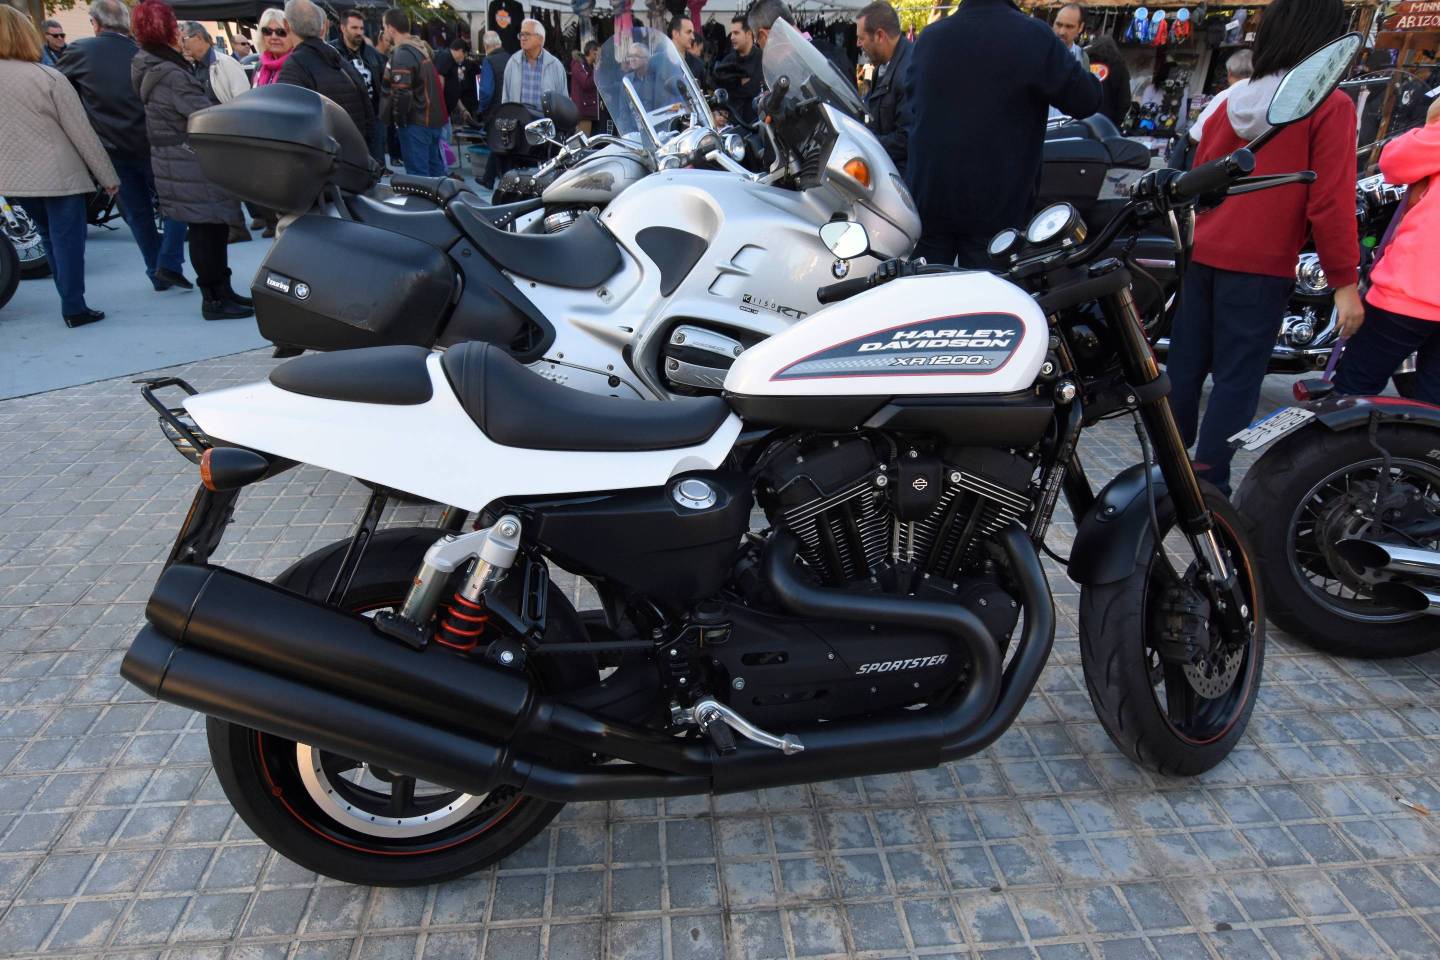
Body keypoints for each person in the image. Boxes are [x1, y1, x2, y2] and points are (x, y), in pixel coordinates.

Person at [1166, 0, 1360, 494]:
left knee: (1185, 366)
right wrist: (1344, 282)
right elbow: (1331, 201)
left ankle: (1168, 462)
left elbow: (1197, 179)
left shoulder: (1231, 102)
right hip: (1261, 264)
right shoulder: (1327, 105)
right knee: (1236, 379)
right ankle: (1209, 482)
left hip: (1203, 252)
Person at [904, 0, 1100, 268]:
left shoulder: (930, 37)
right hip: (996, 206)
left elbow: (913, 103)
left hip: (932, 198)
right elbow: (1086, 100)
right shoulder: (1033, 35)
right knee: (988, 301)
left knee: (927, 299)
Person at [130, 0, 253, 322]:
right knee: (207, 228)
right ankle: (214, 298)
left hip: (177, 158)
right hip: (189, 158)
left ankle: (220, 292)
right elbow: (204, 114)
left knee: (207, 228)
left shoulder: (152, 65)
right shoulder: (169, 72)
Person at [59, 0, 190, 291]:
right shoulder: (143, 53)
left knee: (137, 213)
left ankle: (158, 268)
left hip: (112, 149)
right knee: (176, 205)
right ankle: (167, 262)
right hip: (155, 143)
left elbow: (59, 92)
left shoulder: (79, 52)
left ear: (95, 22)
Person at [0, 6, 119, 327]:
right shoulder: (47, 77)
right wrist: (108, 177)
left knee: (49, 237)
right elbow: (81, 131)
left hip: (14, 179)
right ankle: (74, 306)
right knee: (67, 241)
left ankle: (69, 301)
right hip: (59, 174)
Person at [1332, 96, 1440, 403]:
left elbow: (1394, 163)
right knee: (1434, 405)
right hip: (1418, 288)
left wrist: (1432, 123)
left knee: (1354, 389)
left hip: (1412, 290)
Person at [278, 0, 374, 145]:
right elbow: (369, 117)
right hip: (354, 156)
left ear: (286, 25)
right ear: (322, 28)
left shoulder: (294, 67)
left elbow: (290, 126)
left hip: (324, 160)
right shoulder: (342, 62)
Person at [381, 7, 446, 177]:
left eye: (384, 27)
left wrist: (398, 121)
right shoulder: (420, 48)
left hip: (416, 124)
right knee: (435, 175)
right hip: (430, 121)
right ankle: (440, 204)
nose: (384, 31)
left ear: (390, 28)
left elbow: (402, 93)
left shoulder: (403, 53)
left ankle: (427, 204)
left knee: (419, 179)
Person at [747, 0, 853, 90]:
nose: (761, 50)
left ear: (764, 35)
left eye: (758, 43)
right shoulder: (833, 53)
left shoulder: (793, 70)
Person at [855, 1, 909, 174]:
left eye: (861, 38)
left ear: (879, 35)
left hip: (902, 180)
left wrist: (865, 144)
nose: (858, 44)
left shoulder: (909, 71)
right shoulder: (882, 68)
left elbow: (905, 140)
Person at [334, 9, 387, 166]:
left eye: (361, 28)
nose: (359, 32)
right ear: (343, 28)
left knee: (375, 167)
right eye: (354, 28)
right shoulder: (333, 53)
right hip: (345, 121)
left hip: (374, 121)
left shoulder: (373, 54)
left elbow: (384, 86)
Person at [502, 19, 565, 112]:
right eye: (521, 34)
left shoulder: (555, 66)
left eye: (527, 34)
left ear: (540, 39)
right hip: (519, 122)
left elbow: (563, 100)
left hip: (545, 123)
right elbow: (505, 98)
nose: (523, 38)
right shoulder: (512, 62)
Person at [180, 22, 249, 103]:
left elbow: (244, 101)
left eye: (183, 39)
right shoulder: (192, 68)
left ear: (198, 37)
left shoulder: (227, 63)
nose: (182, 45)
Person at [713, 14, 761, 125]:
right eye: (731, 33)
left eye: (736, 33)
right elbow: (719, 93)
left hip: (758, 126)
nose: (731, 37)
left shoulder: (763, 60)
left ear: (749, 34)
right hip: (733, 128)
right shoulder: (727, 62)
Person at [1085, 35, 1130, 128]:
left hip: (1083, 119)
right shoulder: (1119, 67)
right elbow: (1124, 101)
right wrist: (1115, 124)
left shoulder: (1085, 62)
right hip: (1106, 122)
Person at [253, 8, 294, 87]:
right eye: (267, 31)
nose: (274, 37)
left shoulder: (299, 66)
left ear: (293, 36)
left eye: (281, 32)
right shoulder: (259, 66)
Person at [433, 37, 468, 123]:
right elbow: (439, 83)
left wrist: (462, 109)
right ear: (460, 51)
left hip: (446, 113)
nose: (464, 59)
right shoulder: (445, 57)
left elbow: (452, 89)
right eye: (464, 55)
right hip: (441, 114)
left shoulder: (452, 61)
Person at [570, 39, 599, 134]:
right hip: (583, 112)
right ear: (592, 52)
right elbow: (586, 83)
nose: (600, 57)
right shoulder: (579, 65)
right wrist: (597, 69)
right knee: (582, 144)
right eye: (599, 53)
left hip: (590, 112)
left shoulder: (589, 67)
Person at [1052, 3, 1089, 73]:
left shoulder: (1082, 57)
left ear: (1080, 28)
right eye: (1058, 24)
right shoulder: (1040, 50)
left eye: (1069, 26)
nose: (1061, 32)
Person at [670, 15, 704, 82]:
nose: (693, 37)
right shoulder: (658, 61)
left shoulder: (697, 64)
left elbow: (702, 90)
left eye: (692, 33)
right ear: (675, 34)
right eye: (688, 32)